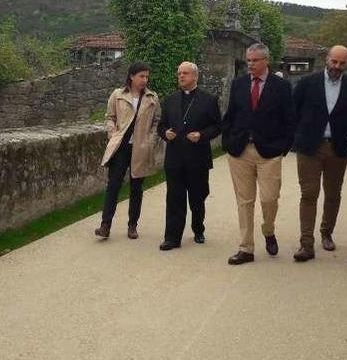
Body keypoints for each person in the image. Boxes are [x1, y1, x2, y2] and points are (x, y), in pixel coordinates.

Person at [222, 43, 296, 265]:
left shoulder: (281, 86)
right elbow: (231, 114)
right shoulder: (239, 84)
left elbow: (290, 120)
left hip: (269, 153)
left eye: (254, 61)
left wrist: (283, 148)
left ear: (266, 61)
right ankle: (246, 248)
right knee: (244, 201)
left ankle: (268, 230)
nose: (250, 65)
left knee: (269, 199)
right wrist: (228, 141)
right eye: (248, 61)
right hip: (240, 151)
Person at [291, 46, 347, 262]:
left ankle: (326, 233)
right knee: (309, 193)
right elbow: (293, 111)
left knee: (333, 194)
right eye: (334, 62)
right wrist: (297, 137)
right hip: (309, 147)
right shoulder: (306, 83)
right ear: (327, 60)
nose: (337, 67)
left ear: (346, 63)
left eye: (342, 63)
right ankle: (306, 244)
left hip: (338, 148)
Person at [157, 62, 222, 250]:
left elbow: (217, 126)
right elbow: (161, 125)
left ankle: (198, 228)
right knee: (174, 199)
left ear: (195, 77)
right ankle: (172, 237)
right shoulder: (170, 100)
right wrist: (165, 133)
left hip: (198, 158)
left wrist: (201, 135)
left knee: (197, 197)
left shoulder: (208, 100)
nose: (181, 76)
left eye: (185, 73)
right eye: (179, 73)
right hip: (175, 158)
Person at [95, 61, 161, 239]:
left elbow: (157, 122)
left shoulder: (152, 98)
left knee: (136, 188)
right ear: (132, 76)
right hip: (120, 147)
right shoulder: (117, 95)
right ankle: (105, 225)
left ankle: (132, 226)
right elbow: (110, 117)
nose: (144, 80)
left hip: (140, 148)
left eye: (147, 76)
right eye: (141, 76)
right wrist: (112, 133)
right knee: (113, 186)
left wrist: (150, 141)